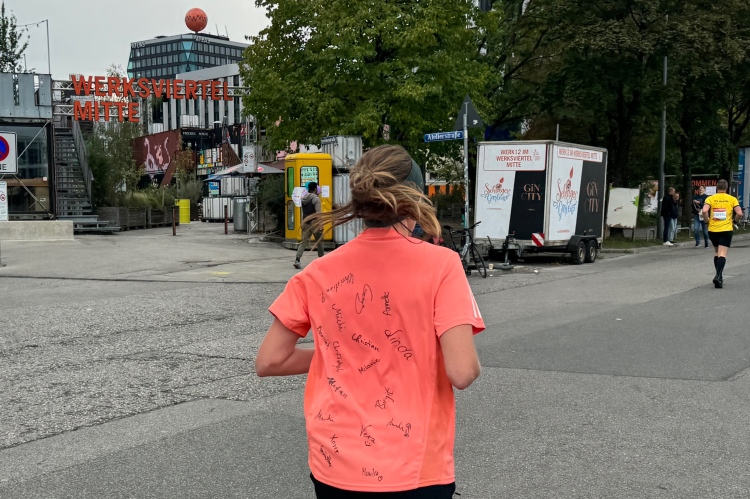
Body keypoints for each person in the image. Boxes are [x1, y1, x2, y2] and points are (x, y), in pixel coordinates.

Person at [256, 145, 484, 498]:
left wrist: (344, 355)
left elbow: (270, 361)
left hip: (335, 464)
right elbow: (463, 371)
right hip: (415, 468)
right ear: (414, 201)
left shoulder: (318, 272)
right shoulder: (442, 266)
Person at [701, 179, 742, 288]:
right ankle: (718, 276)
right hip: (726, 229)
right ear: (727, 188)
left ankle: (718, 276)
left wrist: (707, 221)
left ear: (716, 188)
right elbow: (739, 213)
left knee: (716, 252)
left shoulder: (710, 198)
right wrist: (735, 221)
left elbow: (704, 211)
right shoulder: (732, 199)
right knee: (722, 254)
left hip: (713, 229)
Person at [294, 181, 324, 269]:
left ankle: (297, 259)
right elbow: (318, 213)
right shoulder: (316, 199)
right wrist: (320, 224)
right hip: (315, 223)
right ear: (315, 189)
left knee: (304, 242)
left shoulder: (303, 198)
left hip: (305, 222)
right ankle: (321, 261)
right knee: (319, 242)